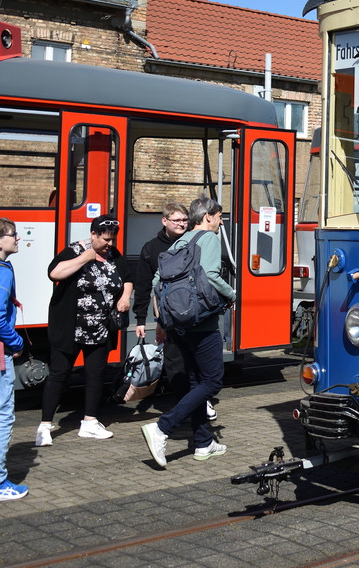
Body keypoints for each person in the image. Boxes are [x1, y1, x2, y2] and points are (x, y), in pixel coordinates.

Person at [142, 197, 234, 468]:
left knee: (196, 383)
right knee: (212, 382)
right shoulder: (209, 239)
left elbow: (157, 281)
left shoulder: (180, 241)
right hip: (202, 324)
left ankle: (203, 442)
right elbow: (211, 275)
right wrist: (232, 294)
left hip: (180, 324)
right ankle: (162, 427)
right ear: (207, 217)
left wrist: (163, 318)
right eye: (219, 217)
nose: (220, 222)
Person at [37, 214, 133, 445]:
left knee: (96, 375)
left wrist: (125, 297)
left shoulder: (114, 255)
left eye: (112, 239)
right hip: (71, 327)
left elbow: (128, 278)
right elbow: (54, 273)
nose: (109, 244)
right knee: (59, 374)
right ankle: (45, 426)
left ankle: (90, 422)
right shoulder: (74, 250)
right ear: (93, 234)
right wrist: (85, 257)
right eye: (105, 239)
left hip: (100, 328)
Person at [133, 203, 216, 420]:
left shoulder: (193, 241)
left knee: (196, 362)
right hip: (169, 316)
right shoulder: (151, 248)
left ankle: (198, 403)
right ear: (164, 221)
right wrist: (144, 319)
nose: (181, 224)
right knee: (175, 363)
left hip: (193, 314)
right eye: (176, 220)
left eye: (184, 220)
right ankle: (185, 407)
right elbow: (144, 285)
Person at [0, 219, 27, 502]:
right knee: (1, 416)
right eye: (12, 235)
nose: (17, 238)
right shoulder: (1, 271)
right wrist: (16, 342)